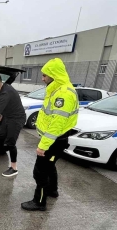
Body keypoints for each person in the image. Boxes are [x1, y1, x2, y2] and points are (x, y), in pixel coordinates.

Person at [21, 58, 79, 211]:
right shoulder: (57, 90)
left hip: (53, 141)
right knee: (50, 167)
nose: (42, 78)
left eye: (45, 75)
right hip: (55, 140)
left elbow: (56, 124)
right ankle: (52, 190)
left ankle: (39, 202)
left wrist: (43, 146)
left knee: (40, 172)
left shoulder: (63, 94)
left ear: (54, 75)